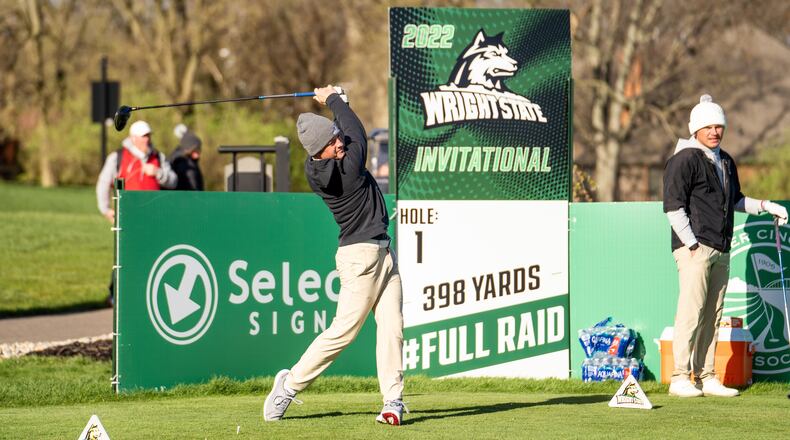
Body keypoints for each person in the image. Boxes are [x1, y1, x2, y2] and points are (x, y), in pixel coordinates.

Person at [263, 85, 405, 425]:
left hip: (383, 253)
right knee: (343, 332)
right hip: (360, 258)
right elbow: (358, 134)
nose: (339, 142)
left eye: (337, 137)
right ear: (320, 151)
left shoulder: (325, 160)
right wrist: (333, 99)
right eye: (332, 142)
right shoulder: (341, 172)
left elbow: (347, 130)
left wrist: (340, 104)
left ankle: (393, 401)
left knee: (392, 328)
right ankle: (289, 385)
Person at [663, 94, 788, 398]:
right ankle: (680, 377)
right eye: (708, 126)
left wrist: (766, 206)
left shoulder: (726, 160)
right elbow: (673, 207)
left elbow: (736, 200)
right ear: (695, 128)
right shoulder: (684, 159)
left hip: (721, 248)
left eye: (719, 126)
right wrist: (692, 244)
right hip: (695, 249)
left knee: (713, 315)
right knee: (691, 312)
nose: (715, 131)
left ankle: (706, 376)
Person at [96, 120, 177, 305]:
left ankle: (145, 295)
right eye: (143, 136)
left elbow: (173, 181)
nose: (147, 140)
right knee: (125, 257)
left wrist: (157, 172)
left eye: (148, 136)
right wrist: (105, 209)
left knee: (152, 256)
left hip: (154, 218)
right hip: (128, 217)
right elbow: (103, 183)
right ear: (133, 138)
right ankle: (115, 294)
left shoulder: (158, 157)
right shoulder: (118, 157)